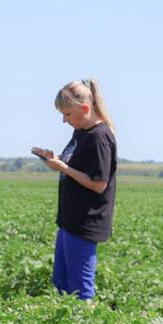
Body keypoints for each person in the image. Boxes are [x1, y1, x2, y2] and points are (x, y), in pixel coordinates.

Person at [31, 78, 117, 301]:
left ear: (85, 109)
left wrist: (64, 168)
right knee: (62, 280)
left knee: (80, 290)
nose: (64, 120)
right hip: (70, 220)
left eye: (67, 114)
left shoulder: (99, 138)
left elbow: (99, 184)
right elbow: (75, 166)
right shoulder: (81, 131)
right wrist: (55, 160)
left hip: (85, 222)